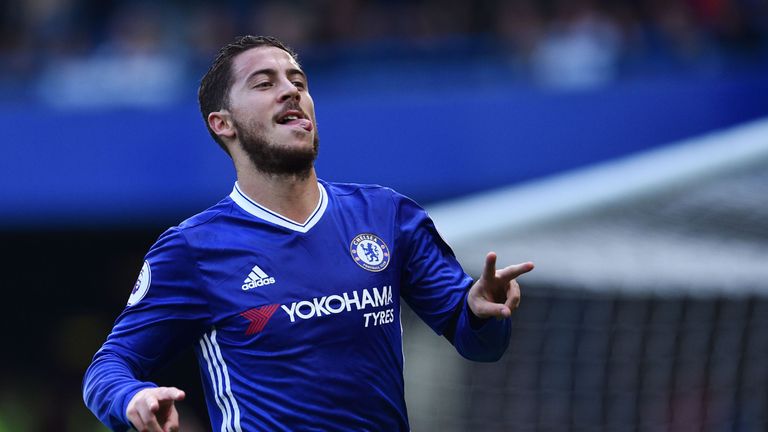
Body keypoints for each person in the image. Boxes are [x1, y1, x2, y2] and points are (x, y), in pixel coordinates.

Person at [83, 35, 534, 432]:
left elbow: (478, 343)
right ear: (223, 124)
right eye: (264, 83)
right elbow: (108, 367)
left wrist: (481, 312)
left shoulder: (387, 215)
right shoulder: (193, 250)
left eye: (297, 81)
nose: (290, 91)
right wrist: (132, 399)